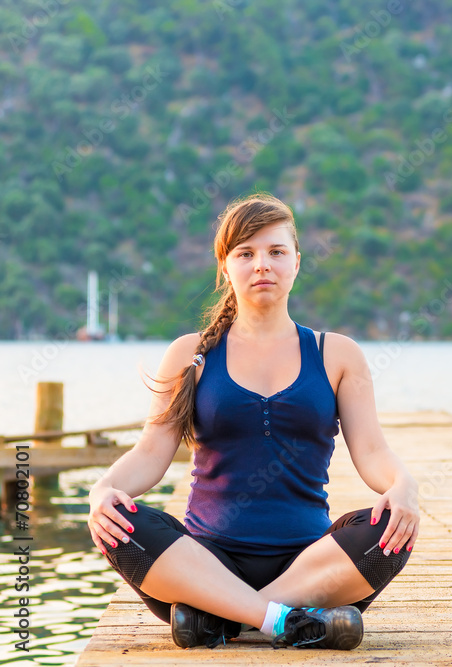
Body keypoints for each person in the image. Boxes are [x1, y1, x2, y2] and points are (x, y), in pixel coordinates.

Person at [87, 193, 419, 650]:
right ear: (226, 267)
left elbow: (372, 451)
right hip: (204, 562)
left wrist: (403, 485)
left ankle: (220, 619)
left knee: (390, 529)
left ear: (297, 263)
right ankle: (290, 621)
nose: (262, 264)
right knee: (118, 521)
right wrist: (102, 490)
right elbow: (150, 453)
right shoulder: (191, 355)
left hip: (310, 563)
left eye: (276, 252)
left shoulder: (337, 354)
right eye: (246, 253)